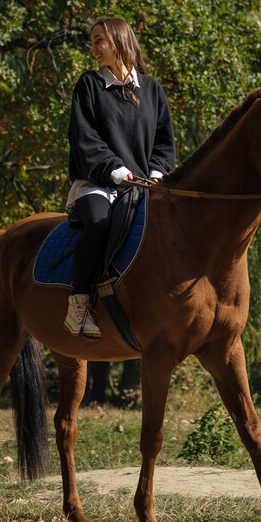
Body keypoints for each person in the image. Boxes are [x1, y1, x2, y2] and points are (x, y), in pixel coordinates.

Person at [65, 17, 176, 338]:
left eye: (99, 40)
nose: (93, 47)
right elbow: (84, 139)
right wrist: (115, 169)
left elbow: (164, 141)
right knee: (99, 226)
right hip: (97, 183)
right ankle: (79, 304)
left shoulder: (152, 89)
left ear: (119, 41)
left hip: (143, 186)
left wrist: (156, 172)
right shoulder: (88, 85)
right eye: (93, 41)